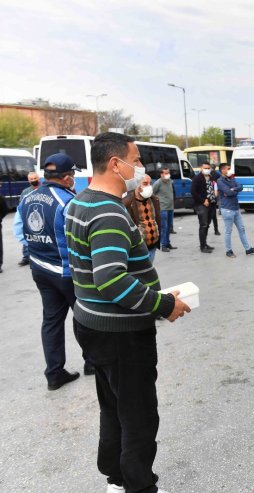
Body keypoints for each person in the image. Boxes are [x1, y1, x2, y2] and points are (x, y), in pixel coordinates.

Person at [67, 132, 190, 493]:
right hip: (119, 333)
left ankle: (117, 478)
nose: (142, 168)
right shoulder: (108, 213)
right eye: (136, 161)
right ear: (115, 164)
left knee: (113, 406)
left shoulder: (82, 201)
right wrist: (164, 305)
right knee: (138, 415)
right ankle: (139, 485)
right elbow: (112, 281)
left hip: (91, 322)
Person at [18, 153, 91, 389]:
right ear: (67, 177)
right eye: (72, 176)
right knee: (83, 317)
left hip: (39, 268)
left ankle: (54, 373)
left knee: (51, 321)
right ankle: (92, 362)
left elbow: (20, 232)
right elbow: (80, 240)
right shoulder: (67, 201)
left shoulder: (27, 197)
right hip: (66, 272)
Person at [216, 163, 254, 258]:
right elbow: (227, 192)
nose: (230, 170)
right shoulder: (220, 181)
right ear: (223, 170)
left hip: (236, 208)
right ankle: (229, 251)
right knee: (228, 231)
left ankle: (248, 249)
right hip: (227, 209)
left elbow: (240, 186)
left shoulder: (231, 178)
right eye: (228, 168)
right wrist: (232, 191)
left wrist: (233, 190)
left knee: (242, 229)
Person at [124, 174, 161, 262]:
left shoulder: (154, 200)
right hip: (138, 250)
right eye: (145, 183)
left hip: (153, 246)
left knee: (149, 272)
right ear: (136, 185)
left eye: (150, 183)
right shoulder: (127, 203)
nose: (149, 186)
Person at [15, 171, 41, 266]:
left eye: (35, 178)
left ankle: (40, 257)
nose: (34, 180)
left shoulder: (44, 189)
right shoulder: (25, 192)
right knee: (27, 237)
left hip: (41, 217)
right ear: (28, 180)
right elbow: (21, 206)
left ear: (39, 178)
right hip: (28, 218)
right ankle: (26, 257)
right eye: (31, 179)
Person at [191, 162, 217, 253]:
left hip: (211, 204)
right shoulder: (197, 178)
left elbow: (213, 189)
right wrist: (203, 201)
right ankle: (202, 246)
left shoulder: (210, 177)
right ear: (201, 168)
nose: (207, 169)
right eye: (205, 168)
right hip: (201, 205)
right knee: (203, 225)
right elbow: (193, 192)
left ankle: (205, 243)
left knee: (207, 225)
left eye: (208, 168)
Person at [152, 167, 177, 252]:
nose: (167, 175)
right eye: (166, 173)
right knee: (164, 227)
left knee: (169, 227)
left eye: (168, 173)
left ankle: (167, 243)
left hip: (170, 207)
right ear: (161, 174)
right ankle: (163, 245)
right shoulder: (158, 183)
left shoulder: (170, 181)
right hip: (162, 208)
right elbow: (152, 193)